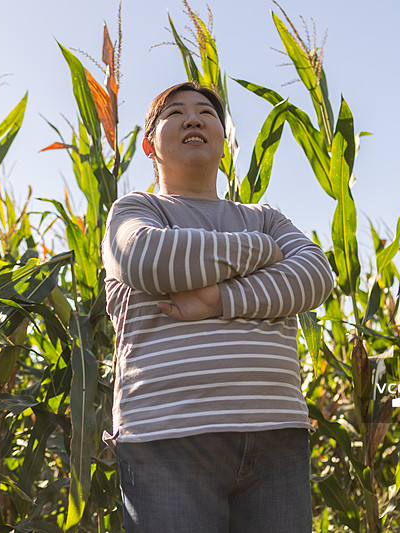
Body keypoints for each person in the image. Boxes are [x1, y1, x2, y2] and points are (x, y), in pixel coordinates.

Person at [101, 81, 334, 533]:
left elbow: (315, 277)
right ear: (150, 144)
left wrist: (217, 299)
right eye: (174, 113)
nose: (193, 118)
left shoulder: (265, 215)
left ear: (225, 140)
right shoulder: (135, 211)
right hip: (169, 440)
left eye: (206, 112)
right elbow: (147, 259)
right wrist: (265, 252)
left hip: (277, 438)